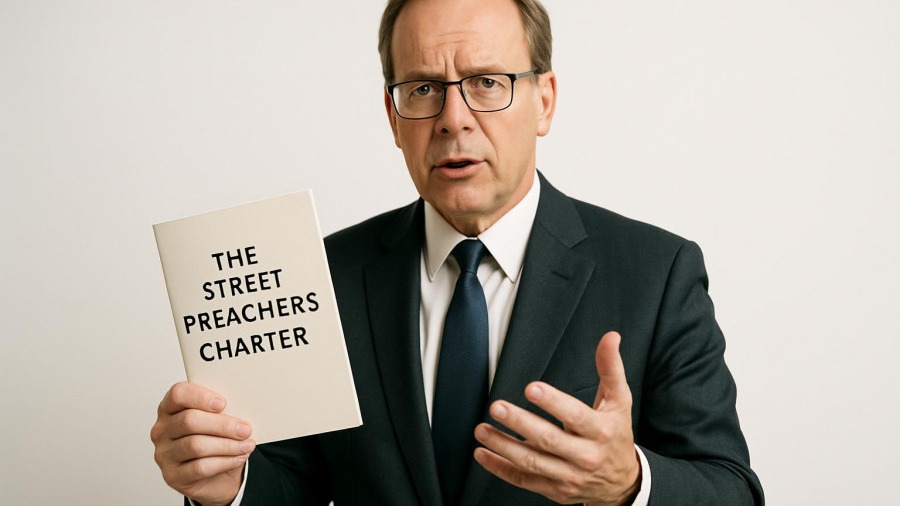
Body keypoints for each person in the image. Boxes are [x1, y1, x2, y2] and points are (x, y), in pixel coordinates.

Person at [151, 0, 764, 504]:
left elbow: (733, 490)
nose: (453, 118)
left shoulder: (657, 274)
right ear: (393, 118)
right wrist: (228, 486)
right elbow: (293, 486)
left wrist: (630, 482)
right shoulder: (325, 275)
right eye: (422, 88)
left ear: (544, 100)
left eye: (487, 83)